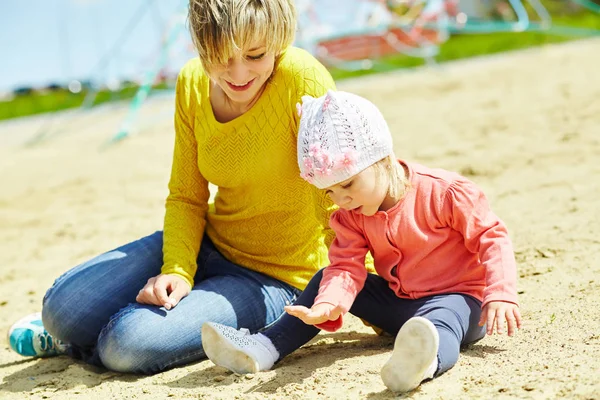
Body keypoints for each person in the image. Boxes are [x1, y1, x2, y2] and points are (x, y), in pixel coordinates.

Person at [7, 0, 339, 374]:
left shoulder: (302, 78)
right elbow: (187, 195)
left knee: (126, 346)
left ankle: (86, 344)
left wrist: (363, 287)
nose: (239, 73)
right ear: (200, 45)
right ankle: (78, 334)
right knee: (61, 309)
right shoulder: (192, 82)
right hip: (211, 242)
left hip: (277, 278)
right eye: (220, 57)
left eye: (255, 55)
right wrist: (178, 269)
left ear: (277, 39)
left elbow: (335, 192)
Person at [200, 90, 523, 393]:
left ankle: (421, 364)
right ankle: (266, 345)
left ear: (382, 158)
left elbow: (491, 237)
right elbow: (345, 267)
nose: (342, 199)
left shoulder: (445, 192)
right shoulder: (352, 214)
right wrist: (328, 302)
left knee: (441, 318)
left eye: (349, 184)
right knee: (324, 278)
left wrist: (500, 294)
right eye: (330, 192)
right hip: (401, 304)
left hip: (463, 303)